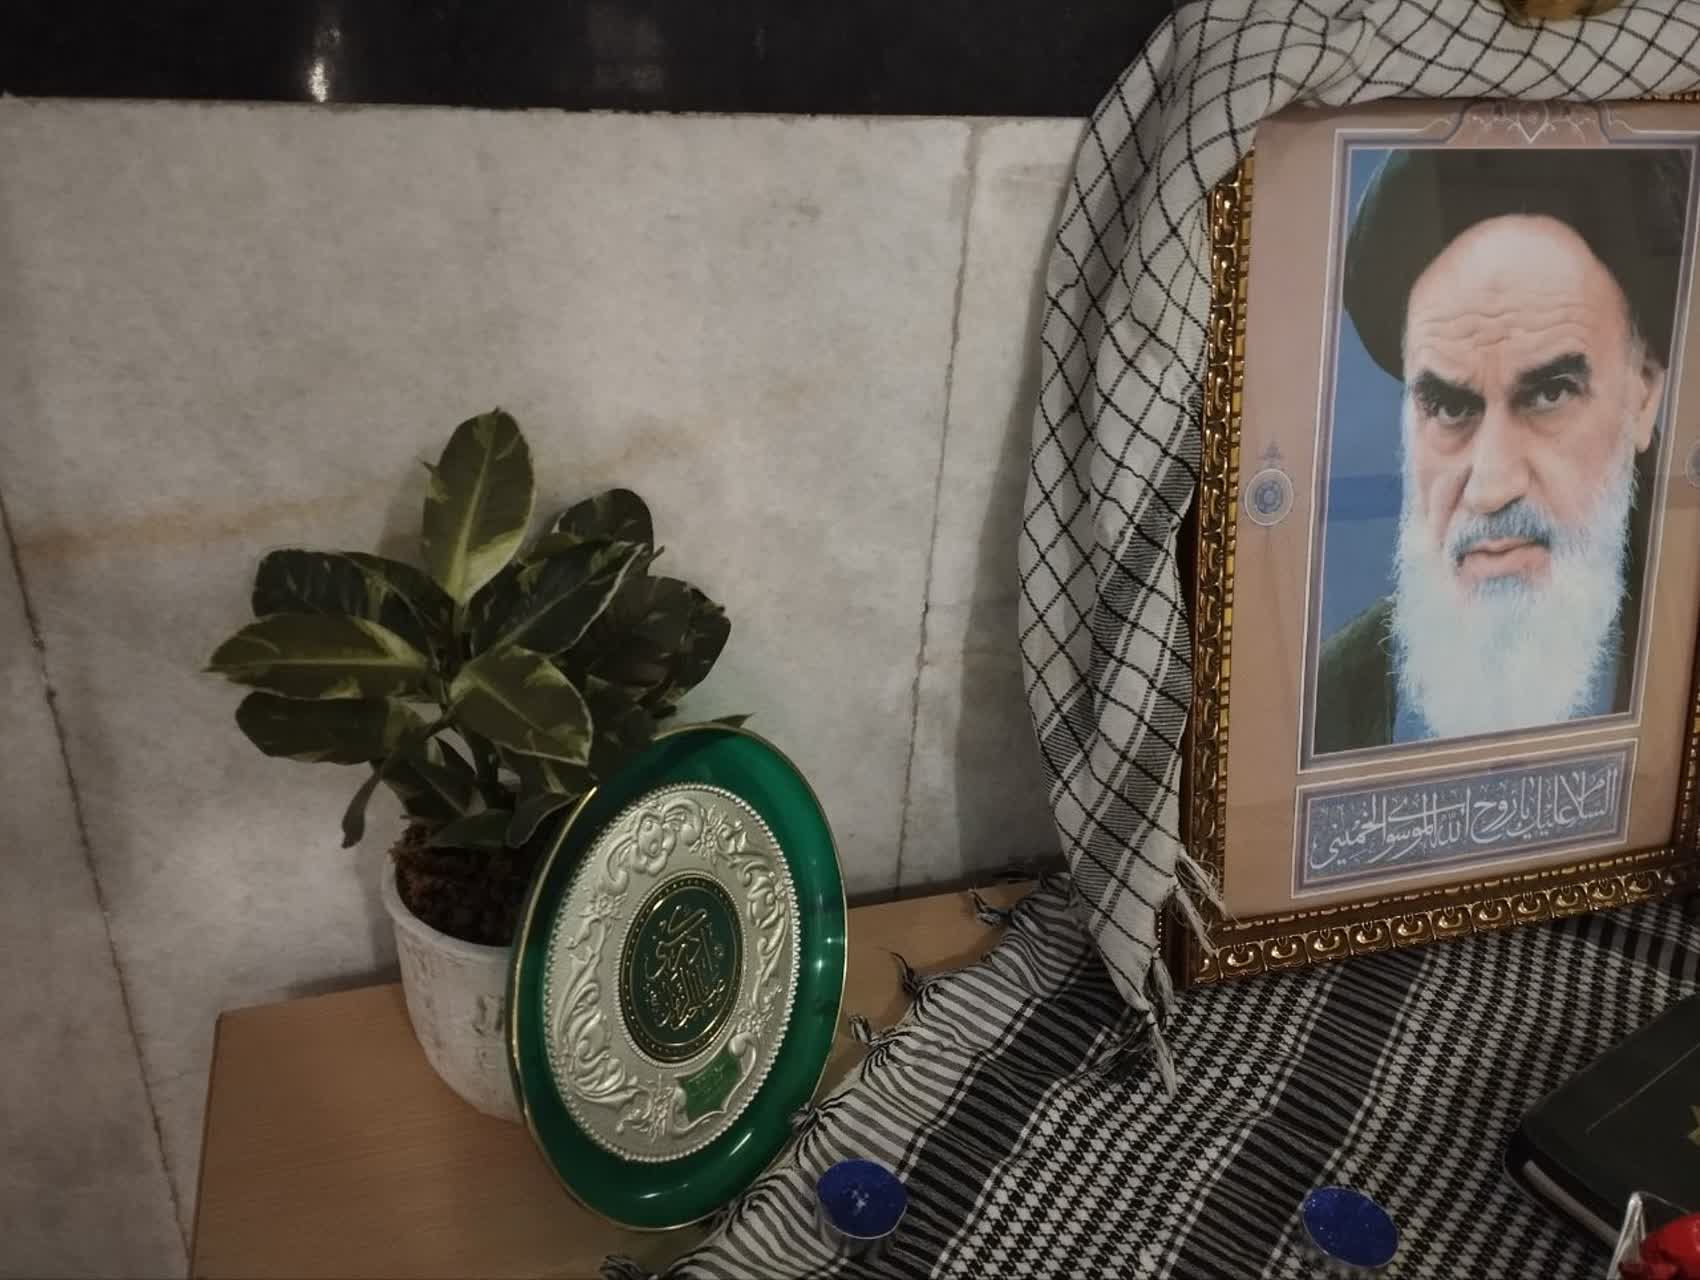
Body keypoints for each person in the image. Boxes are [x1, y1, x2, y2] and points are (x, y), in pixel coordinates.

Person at [1315, 145, 1691, 754]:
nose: (1491, 487)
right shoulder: (1331, 702)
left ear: (1643, 394)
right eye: (1449, 407)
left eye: (1549, 394)